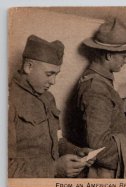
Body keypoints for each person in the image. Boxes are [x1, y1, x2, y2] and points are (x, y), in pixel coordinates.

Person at [8, 35, 94, 178]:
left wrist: (76, 151)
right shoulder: (8, 100)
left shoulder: (48, 98)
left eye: (56, 74)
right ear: (28, 67)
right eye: (49, 74)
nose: (53, 81)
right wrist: (53, 169)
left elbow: (57, 140)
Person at [70, 18, 126, 178]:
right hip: (104, 174)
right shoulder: (95, 88)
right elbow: (99, 147)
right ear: (109, 55)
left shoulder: (100, 80)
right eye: (124, 56)